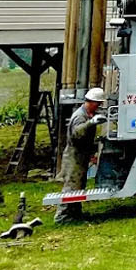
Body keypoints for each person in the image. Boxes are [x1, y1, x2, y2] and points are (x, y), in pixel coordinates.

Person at [55, 87, 105, 224]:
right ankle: (62, 217)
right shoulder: (80, 116)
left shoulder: (88, 113)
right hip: (74, 156)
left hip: (82, 155)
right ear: (92, 102)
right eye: (98, 103)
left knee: (79, 187)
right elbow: (77, 133)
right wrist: (91, 122)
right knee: (71, 187)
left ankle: (75, 214)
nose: (99, 106)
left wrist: (92, 154)